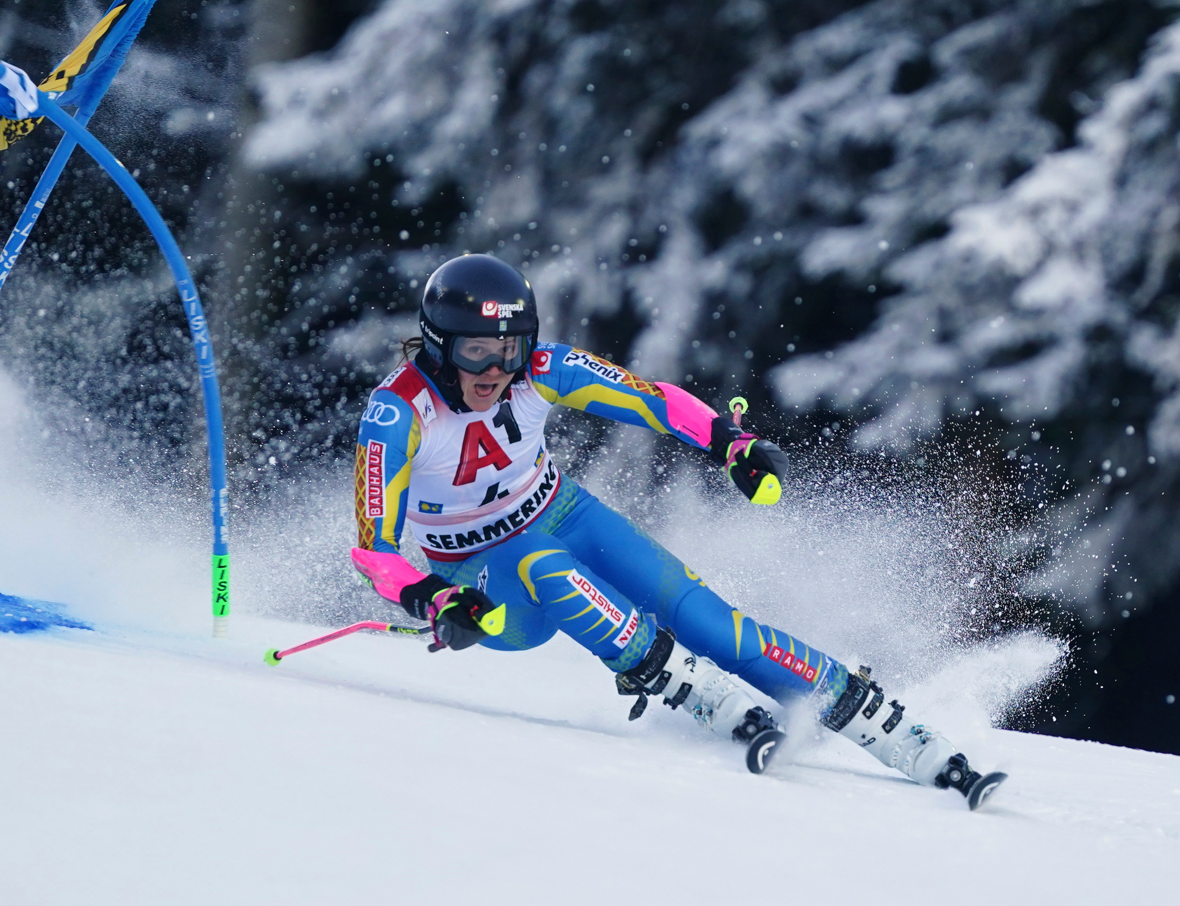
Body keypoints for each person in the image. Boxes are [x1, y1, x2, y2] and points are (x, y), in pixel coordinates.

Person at [351, 253, 1004, 808]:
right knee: (539, 565)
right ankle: (691, 691)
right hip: (483, 578)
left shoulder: (540, 369)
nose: (496, 370)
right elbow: (372, 548)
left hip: (564, 513)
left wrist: (731, 444)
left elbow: (651, 399)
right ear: (438, 345)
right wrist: (432, 597)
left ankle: (884, 723)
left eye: (509, 349)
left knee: (713, 624)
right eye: (476, 351)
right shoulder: (398, 411)